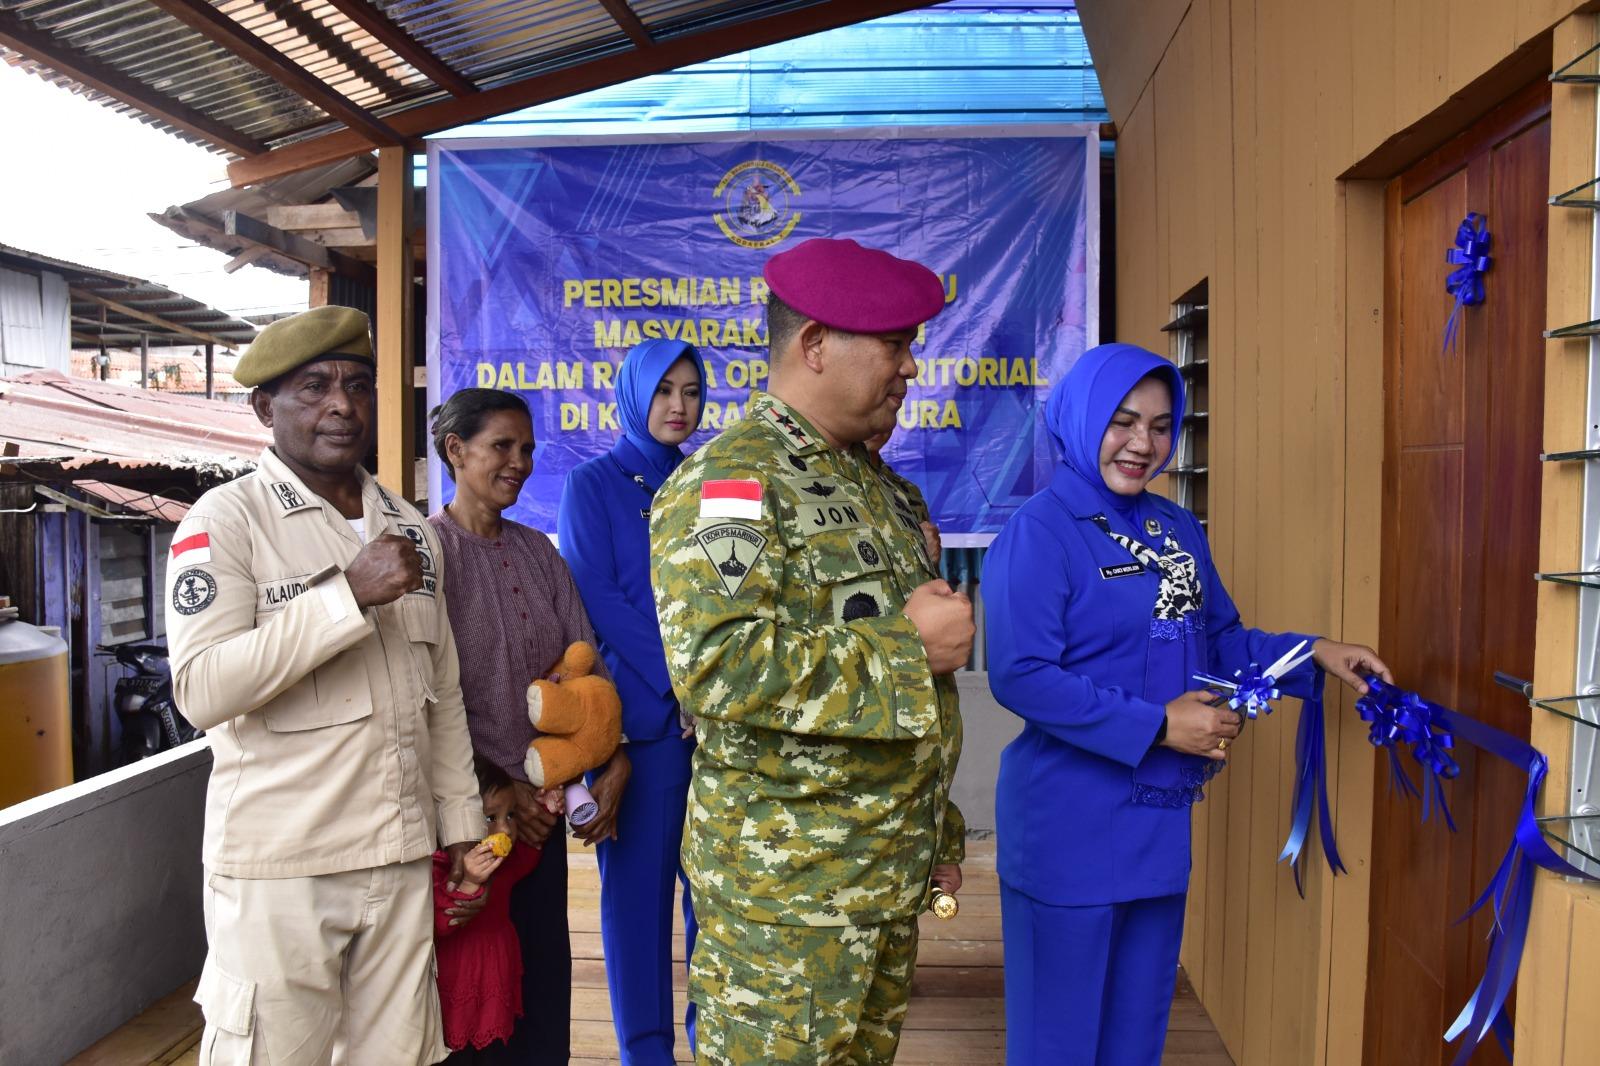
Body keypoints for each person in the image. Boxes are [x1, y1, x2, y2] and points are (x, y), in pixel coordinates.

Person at [983, 342, 1393, 1065]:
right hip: (1068, 825)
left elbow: (1221, 642)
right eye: (1122, 421)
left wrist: (1315, 654)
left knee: (1135, 1037)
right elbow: (1022, 675)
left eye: (1160, 425)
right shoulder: (1040, 531)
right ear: (1081, 419)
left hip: (1156, 823)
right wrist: (1159, 724)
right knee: (1058, 1044)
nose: (1142, 443)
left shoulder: (1175, 530)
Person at [649, 237, 972, 1065]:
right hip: (787, 908)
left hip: (881, 884)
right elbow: (717, 663)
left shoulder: (884, 489)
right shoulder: (733, 483)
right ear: (816, 344)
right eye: (894, 345)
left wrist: (936, 836)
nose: (909, 368)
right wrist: (908, 649)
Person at [165, 305, 484, 1065]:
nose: (342, 405)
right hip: (283, 869)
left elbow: (441, 692)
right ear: (265, 408)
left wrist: (462, 826)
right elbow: (202, 689)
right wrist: (345, 598)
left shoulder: (410, 529)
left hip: (399, 859)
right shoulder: (227, 522)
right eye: (314, 387)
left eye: (357, 386)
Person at [428, 387, 631, 1065]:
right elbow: (421, 699)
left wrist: (612, 758)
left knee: (540, 988)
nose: (519, 462)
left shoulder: (539, 553)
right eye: (502, 447)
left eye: (527, 449)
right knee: (471, 1004)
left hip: (542, 818)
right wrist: (497, 791)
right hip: (464, 829)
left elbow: (584, 666)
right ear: (456, 451)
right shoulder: (430, 553)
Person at [557, 338, 705, 1065]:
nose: (679, 406)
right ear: (634, 395)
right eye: (663, 390)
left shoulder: (715, 483)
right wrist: (685, 685)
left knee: (718, 900)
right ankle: (646, 1054)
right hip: (642, 731)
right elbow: (601, 599)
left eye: (691, 391)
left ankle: (715, 1042)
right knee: (637, 908)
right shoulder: (593, 484)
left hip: (718, 730)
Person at [435, 758, 548, 1061]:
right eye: (490, 818)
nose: (505, 829)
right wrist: (469, 882)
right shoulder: (442, 867)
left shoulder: (503, 867)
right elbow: (440, 922)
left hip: (494, 982)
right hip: (458, 987)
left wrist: (548, 805)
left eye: (510, 815)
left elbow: (529, 855)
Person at [864, 428, 941, 571]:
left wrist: (929, 560)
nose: (877, 424)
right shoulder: (829, 483)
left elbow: (931, 573)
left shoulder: (909, 491)